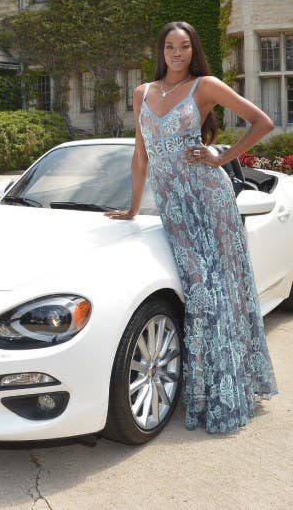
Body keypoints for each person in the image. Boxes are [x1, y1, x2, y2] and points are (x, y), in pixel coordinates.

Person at [105, 21, 278, 434]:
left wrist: (221, 158)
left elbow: (262, 122)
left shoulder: (205, 85)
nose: (176, 54)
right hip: (174, 209)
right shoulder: (142, 93)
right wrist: (131, 209)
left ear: (192, 50)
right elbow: (140, 157)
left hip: (210, 200)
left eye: (184, 47)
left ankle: (227, 393)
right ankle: (203, 392)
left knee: (220, 292)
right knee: (199, 290)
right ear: (161, 50)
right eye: (169, 46)